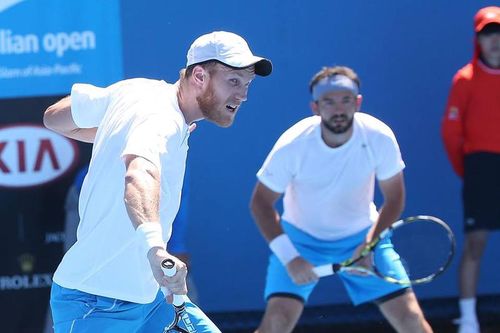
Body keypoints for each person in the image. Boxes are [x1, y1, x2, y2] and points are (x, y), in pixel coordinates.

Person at [43, 30, 272, 333]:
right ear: (200, 76)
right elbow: (139, 174)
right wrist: (156, 250)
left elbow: (53, 118)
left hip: (151, 299)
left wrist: (117, 132)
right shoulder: (160, 119)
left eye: (247, 84)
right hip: (95, 302)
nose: (242, 94)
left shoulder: (139, 92)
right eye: (233, 81)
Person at [250, 65, 432, 333]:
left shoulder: (379, 137)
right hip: (300, 241)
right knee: (277, 322)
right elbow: (260, 204)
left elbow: (394, 199)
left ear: (357, 102)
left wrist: (369, 246)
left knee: (410, 319)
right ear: (315, 107)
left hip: (363, 237)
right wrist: (291, 257)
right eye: (329, 101)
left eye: (346, 100)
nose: (338, 109)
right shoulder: (293, 144)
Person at [441, 6, 500, 333]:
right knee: (476, 243)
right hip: (480, 168)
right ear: (478, 40)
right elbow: (451, 133)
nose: (495, 41)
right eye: (488, 35)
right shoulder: (464, 80)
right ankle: (468, 320)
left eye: (499, 34)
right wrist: (468, 169)